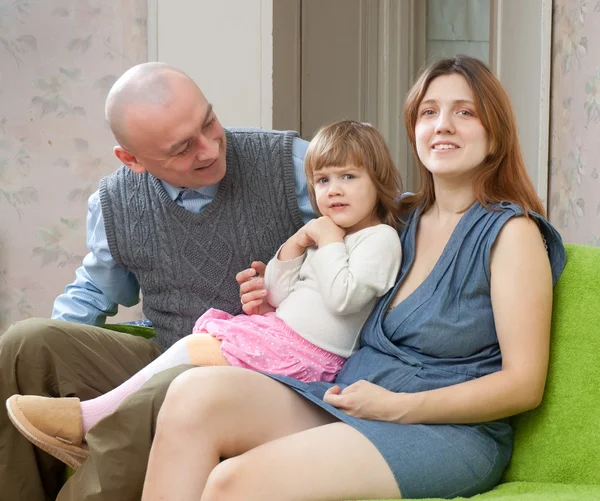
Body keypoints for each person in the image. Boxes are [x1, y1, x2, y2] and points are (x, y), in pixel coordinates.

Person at [136, 55, 566, 501]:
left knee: (232, 483)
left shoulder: (512, 234)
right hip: (350, 397)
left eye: (465, 111)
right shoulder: (400, 220)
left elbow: (523, 385)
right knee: (191, 396)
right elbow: (343, 291)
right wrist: (279, 297)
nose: (443, 125)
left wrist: (399, 407)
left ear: (495, 134)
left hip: (445, 432)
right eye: (428, 112)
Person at [0, 61, 317, 501]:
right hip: (170, 353)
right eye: (183, 148)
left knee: (180, 384)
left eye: (209, 122)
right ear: (131, 159)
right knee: (25, 345)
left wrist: (291, 284)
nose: (208, 149)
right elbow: (94, 291)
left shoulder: (293, 164)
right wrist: (61, 349)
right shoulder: (115, 202)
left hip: (274, 376)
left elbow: (381, 235)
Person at [6, 120, 403, 465]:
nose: (333, 191)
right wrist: (293, 248)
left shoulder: (378, 238)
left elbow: (344, 298)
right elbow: (282, 293)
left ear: (377, 179)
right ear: (133, 159)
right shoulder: (115, 200)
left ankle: (87, 421)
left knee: (189, 359)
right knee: (187, 348)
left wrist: (329, 240)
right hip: (282, 336)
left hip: (310, 357)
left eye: (348, 177)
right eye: (323, 181)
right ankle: (85, 426)